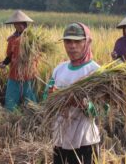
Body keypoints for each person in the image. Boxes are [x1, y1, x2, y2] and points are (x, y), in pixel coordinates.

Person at [45, 23, 101, 164]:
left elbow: (102, 110)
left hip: (85, 140)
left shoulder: (95, 72)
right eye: (68, 41)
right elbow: (46, 101)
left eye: (77, 41)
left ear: (86, 42)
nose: (72, 46)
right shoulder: (59, 69)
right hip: (61, 138)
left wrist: (74, 101)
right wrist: (51, 96)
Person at [0, 10, 38, 111]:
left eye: (22, 24)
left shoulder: (32, 38)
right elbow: (9, 56)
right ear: (14, 25)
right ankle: (11, 120)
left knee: (30, 101)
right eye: (16, 24)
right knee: (11, 101)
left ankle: (32, 118)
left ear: (25, 24)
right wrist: (4, 63)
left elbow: (37, 54)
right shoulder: (12, 39)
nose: (19, 26)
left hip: (29, 74)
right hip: (14, 74)